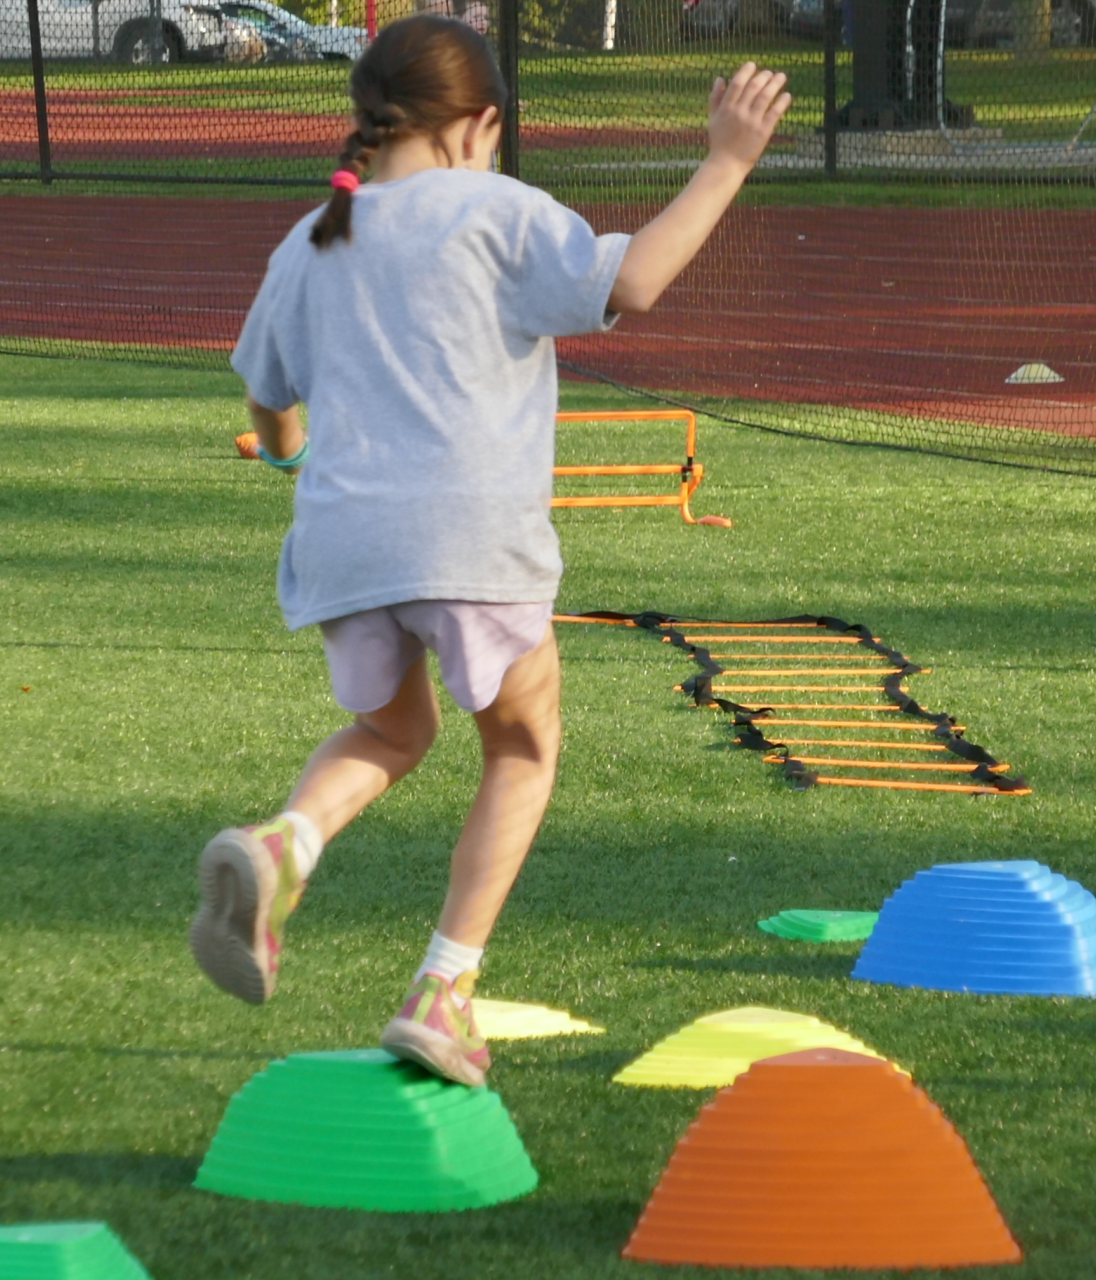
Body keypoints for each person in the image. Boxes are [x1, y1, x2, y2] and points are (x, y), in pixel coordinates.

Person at [190, 14, 789, 1086]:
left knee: (391, 726)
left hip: (344, 542)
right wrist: (726, 160)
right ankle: (444, 989)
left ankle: (285, 842)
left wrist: (289, 459)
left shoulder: (314, 234)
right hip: (472, 539)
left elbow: (269, 401)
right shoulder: (500, 213)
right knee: (522, 744)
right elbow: (634, 281)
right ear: (481, 127)